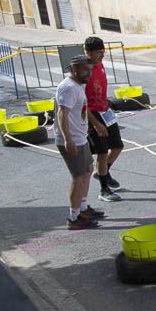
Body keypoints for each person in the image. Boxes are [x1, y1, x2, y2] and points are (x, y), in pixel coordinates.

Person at [53, 55, 104, 230]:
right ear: (75, 69)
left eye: (90, 70)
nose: (89, 73)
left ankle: (82, 208)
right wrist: (68, 140)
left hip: (81, 137)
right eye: (85, 70)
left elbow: (83, 108)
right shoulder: (68, 88)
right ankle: (74, 218)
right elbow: (62, 114)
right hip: (73, 140)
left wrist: (96, 124)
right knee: (78, 177)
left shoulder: (78, 85)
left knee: (88, 170)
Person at [83, 35, 124, 202]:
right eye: (98, 52)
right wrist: (95, 123)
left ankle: (103, 173)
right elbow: (81, 103)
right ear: (88, 52)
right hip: (93, 115)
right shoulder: (83, 71)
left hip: (105, 111)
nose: (102, 55)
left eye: (103, 52)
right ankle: (104, 190)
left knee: (117, 146)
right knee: (101, 152)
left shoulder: (100, 65)